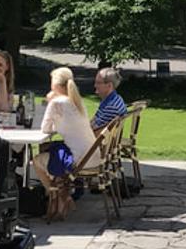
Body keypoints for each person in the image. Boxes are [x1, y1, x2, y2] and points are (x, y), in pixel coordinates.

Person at [34, 67, 97, 218]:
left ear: (55, 85)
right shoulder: (76, 101)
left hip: (80, 160)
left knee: (37, 160)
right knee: (53, 151)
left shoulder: (56, 102)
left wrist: (50, 101)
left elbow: (45, 129)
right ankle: (63, 197)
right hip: (92, 155)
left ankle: (55, 195)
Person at [91, 67, 127, 131]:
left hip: (99, 140)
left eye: (98, 83)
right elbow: (94, 121)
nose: (95, 85)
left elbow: (98, 133)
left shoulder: (111, 107)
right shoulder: (113, 99)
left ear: (109, 85)